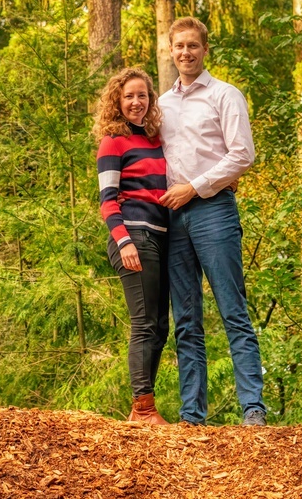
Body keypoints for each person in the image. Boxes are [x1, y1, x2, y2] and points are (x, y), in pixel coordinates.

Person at [157, 16, 266, 427]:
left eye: (193, 46)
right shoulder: (162, 105)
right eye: (179, 46)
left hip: (213, 210)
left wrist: (195, 187)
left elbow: (242, 155)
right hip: (172, 219)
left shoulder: (225, 95)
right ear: (171, 51)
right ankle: (192, 416)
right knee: (185, 319)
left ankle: (252, 409)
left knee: (232, 310)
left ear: (205, 50)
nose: (185, 52)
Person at [94, 68, 170, 425]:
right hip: (133, 237)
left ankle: (141, 408)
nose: (136, 102)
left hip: (161, 236)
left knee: (161, 326)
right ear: (117, 101)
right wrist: (123, 240)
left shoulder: (156, 140)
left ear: (150, 100)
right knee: (144, 324)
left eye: (142, 96)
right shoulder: (113, 141)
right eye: (129, 96)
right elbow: (107, 200)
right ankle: (144, 408)